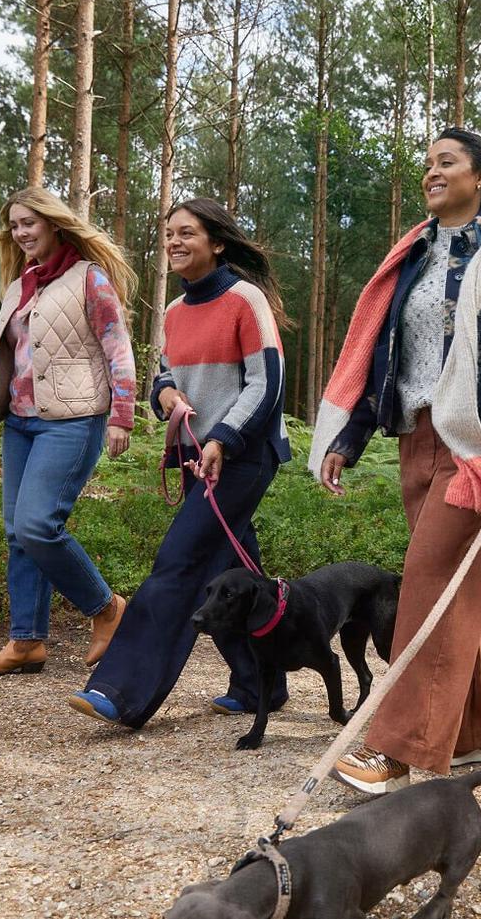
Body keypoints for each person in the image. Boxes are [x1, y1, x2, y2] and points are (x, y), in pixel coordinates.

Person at [308, 128, 481, 794]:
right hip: (417, 438)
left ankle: (397, 747)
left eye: (445, 162)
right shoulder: (416, 258)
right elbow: (386, 361)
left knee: (428, 589)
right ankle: (472, 732)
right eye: (427, 163)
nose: (431, 172)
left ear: (480, 175)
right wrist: (350, 435)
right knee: (461, 596)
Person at [66, 197, 292, 726]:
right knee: (231, 570)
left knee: (179, 562)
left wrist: (224, 440)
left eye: (186, 233)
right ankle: (263, 681)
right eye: (168, 233)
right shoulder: (173, 312)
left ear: (217, 242)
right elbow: (165, 375)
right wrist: (165, 396)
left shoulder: (245, 300)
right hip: (197, 458)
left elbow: (267, 383)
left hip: (243, 455)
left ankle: (120, 691)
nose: (174, 242)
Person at [0, 186, 137, 676]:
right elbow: (0, 355)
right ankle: (26, 642)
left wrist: (123, 414)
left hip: (73, 419)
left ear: (55, 224)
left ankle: (107, 609)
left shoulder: (90, 279)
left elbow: (118, 348)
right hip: (20, 421)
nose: (21, 233)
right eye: (14, 225)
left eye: (29, 223)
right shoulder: (20, 285)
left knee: (38, 525)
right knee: (18, 534)